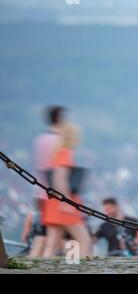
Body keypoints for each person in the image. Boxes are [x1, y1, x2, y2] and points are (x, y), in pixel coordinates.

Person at [41, 123, 92, 257]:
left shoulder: (56, 153)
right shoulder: (65, 152)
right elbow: (60, 179)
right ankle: (81, 270)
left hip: (53, 203)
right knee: (84, 240)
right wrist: (66, 202)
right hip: (64, 203)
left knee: (51, 243)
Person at [28, 106, 66, 257]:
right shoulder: (59, 141)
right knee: (67, 238)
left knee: (42, 237)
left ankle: (33, 267)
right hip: (56, 195)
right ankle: (74, 267)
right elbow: (59, 172)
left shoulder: (40, 140)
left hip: (40, 193)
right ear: (58, 118)